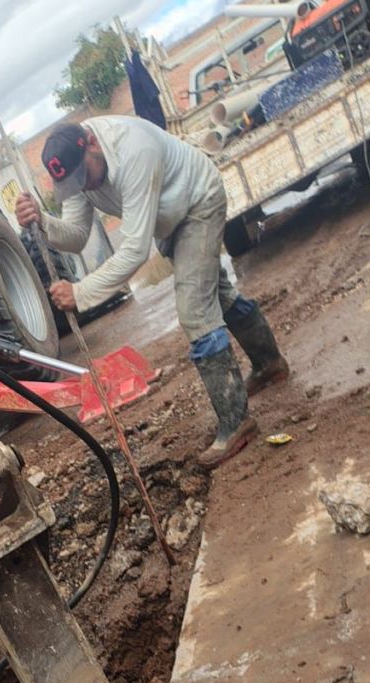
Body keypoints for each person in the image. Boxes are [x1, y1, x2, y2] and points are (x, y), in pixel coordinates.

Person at [15, 117, 289, 468]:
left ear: (91, 143)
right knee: (216, 294)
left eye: (86, 176)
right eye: (75, 183)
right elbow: (77, 236)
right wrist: (42, 219)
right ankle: (270, 364)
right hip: (169, 217)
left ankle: (238, 424)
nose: (85, 186)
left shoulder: (133, 149)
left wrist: (81, 294)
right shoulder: (78, 168)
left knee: (195, 310)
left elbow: (134, 250)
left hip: (197, 202)